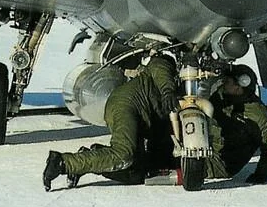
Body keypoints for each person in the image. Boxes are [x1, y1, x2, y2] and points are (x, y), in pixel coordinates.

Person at [42, 54, 179, 190]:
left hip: (135, 110)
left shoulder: (180, 87)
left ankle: (90, 156)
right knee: (123, 154)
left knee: (137, 173)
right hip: (126, 105)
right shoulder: (162, 64)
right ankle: (62, 163)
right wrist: (167, 91)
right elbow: (161, 70)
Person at [205, 64, 267, 184]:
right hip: (207, 151)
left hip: (221, 164)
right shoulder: (220, 97)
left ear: (238, 87)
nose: (223, 83)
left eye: (228, 81)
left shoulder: (257, 113)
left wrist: (261, 174)